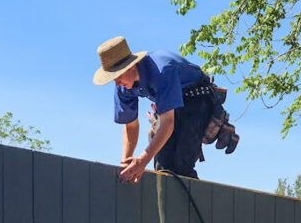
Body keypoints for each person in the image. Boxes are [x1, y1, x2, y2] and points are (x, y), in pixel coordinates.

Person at [92, 36, 220, 183]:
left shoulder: (162, 69)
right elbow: (131, 126)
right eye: (112, 79)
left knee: (181, 163)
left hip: (196, 97)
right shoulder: (123, 87)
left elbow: (167, 123)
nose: (117, 83)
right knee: (162, 166)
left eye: (118, 76)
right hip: (168, 106)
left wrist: (142, 160)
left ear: (131, 66)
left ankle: (190, 199)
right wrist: (125, 166)